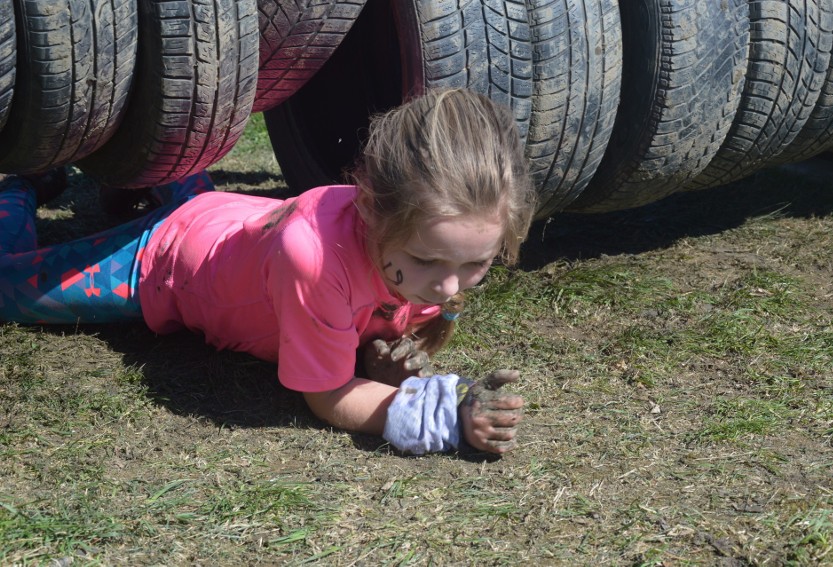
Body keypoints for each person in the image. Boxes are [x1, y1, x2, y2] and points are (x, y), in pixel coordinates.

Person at [0, 88, 537, 455]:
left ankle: (137, 180)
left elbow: (380, 316)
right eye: (426, 261)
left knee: (193, 195)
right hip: (168, 256)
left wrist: (387, 354)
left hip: (239, 223)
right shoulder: (313, 260)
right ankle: (19, 186)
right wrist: (447, 415)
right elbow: (327, 395)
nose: (447, 286)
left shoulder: (422, 241)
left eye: (476, 264)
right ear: (372, 207)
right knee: (8, 287)